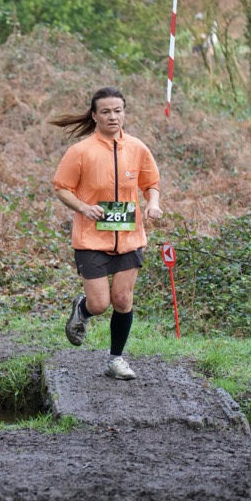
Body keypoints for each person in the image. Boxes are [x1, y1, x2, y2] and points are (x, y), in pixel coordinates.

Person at [52, 87, 162, 381]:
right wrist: (84, 207)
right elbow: (62, 187)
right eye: (106, 111)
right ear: (94, 115)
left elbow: (151, 183)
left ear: (124, 113)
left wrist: (152, 204)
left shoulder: (137, 148)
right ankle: (83, 309)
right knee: (100, 304)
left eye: (117, 111)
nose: (113, 116)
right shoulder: (80, 151)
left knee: (123, 299)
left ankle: (116, 360)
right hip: (91, 238)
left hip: (129, 236)